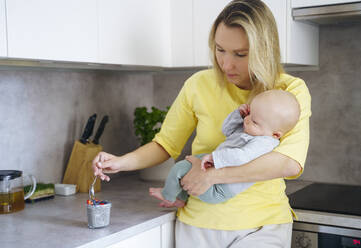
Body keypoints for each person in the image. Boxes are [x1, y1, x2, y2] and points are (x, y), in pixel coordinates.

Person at [92, 0, 311, 247]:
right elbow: (165, 144)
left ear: (264, 49)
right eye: (220, 50)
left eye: (240, 54)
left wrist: (215, 175)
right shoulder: (198, 84)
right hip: (198, 226)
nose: (226, 64)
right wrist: (121, 162)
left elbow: (288, 163)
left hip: (262, 226)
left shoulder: (289, 91)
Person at [149, 89, 300, 208]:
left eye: (254, 120)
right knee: (184, 168)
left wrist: (214, 158)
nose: (247, 120)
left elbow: (242, 157)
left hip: (220, 188)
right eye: (250, 114)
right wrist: (237, 115)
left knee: (179, 169)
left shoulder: (265, 143)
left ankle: (167, 196)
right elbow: (226, 130)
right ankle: (180, 199)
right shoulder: (255, 129)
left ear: (275, 134)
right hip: (217, 164)